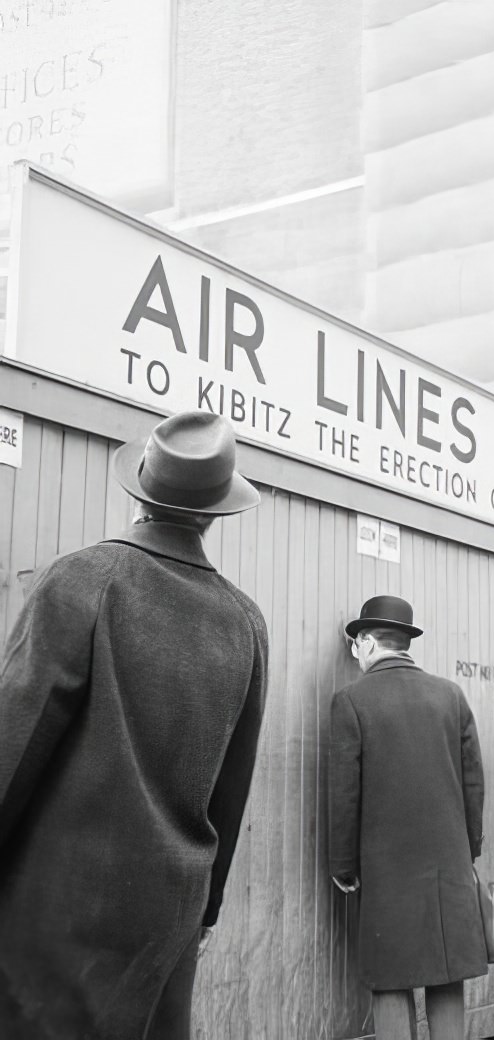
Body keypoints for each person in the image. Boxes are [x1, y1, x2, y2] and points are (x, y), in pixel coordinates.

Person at [0, 410, 269, 1040]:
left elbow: (14, 740)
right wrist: (207, 908)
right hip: (166, 923)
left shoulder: (83, 580)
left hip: (55, 913)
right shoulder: (245, 622)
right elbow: (232, 786)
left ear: (140, 493)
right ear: (214, 512)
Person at [328, 595, 487, 1040]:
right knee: (446, 971)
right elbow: (474, 782)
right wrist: (467, 850)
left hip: (385, 868)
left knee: (391, 976)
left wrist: (343, 866)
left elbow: (345, 794)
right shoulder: (450, 696)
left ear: (366, 641)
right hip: (449, 863)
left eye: (354, 647)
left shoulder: (352, 700)